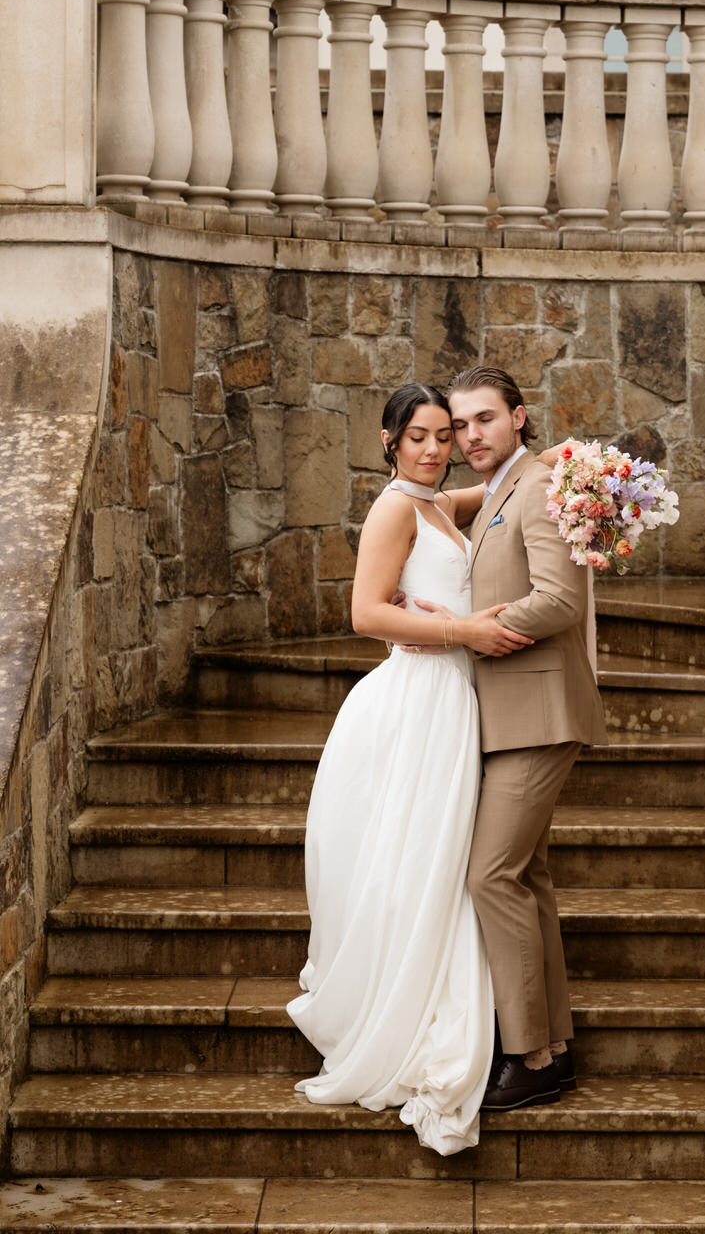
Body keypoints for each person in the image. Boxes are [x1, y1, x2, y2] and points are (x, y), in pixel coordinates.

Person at [287, 383, 559, 1155]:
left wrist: (577, 472)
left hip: (457, 704)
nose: (437, 449)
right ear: (388, 441)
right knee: (415, 862)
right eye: (419, 437)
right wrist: (463, 632)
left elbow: (512, 481)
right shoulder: (396, 509)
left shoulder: (446, 504)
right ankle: (401, 1007)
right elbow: (366, 613)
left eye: (445, 434)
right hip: (415, 700)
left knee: (448, 864)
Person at [442, 366, 608, 1113]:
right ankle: (556, 1050)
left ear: (518, 418)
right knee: (528, 877)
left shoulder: (537, 486)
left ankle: (528, 1054)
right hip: (509, 717)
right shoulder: (511, 484)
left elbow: (561, 600)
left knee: (491, 876)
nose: (471, 435)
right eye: (460, 424)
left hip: (539, 714)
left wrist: (478, 635)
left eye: (485, 419)